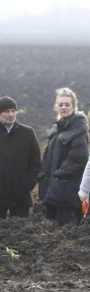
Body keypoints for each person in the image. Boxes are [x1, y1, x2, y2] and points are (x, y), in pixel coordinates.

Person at [39, 87, 89, 226]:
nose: (64, 107)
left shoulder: (78, 130)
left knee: (65, 229)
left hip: (67, 191)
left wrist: (58, 175)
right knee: (50, 229)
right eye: (60, 105)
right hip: (53, 189)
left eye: (67, 104)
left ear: (74, 107)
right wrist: (43, 175)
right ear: (56, 107)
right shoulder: (57, 128)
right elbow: (48, 157)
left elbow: (79, 160)